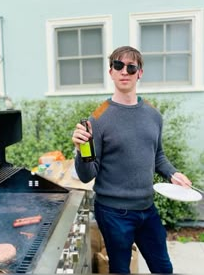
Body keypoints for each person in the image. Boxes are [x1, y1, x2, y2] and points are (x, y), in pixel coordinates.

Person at [72, 46, 192, 274]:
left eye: (131, 66)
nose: (124, 71)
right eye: (118, 65)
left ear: (140, 73)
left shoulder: (153, 115)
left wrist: (173, 174)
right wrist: (80, 150)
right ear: (111, 72)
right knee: (120, 269)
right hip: (113, 212)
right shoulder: (97, 118)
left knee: (163, 268)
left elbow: (158, 156)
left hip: (147, 208)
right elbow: (88, 174)